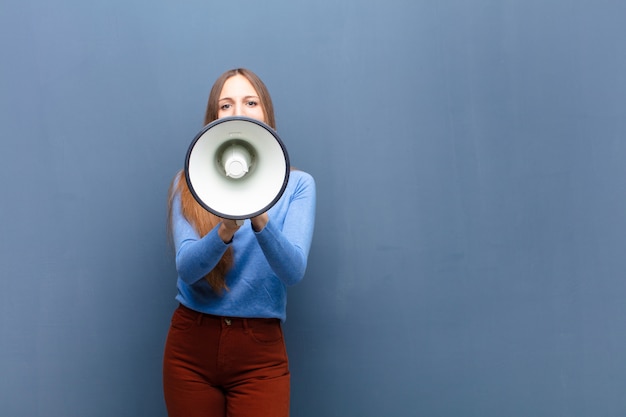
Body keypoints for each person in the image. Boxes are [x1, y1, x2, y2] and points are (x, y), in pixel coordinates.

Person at [162, 68, 316, 417]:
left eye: (250, 102)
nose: (239, 113)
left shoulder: (298, 186)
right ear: (213, 119)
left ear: (266, 113)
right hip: (191, 348)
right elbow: (187, 269)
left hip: (260, 354)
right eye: (226, 105)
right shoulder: (187, 184)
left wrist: (259, 216)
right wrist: (224, 229)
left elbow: (292, 271)